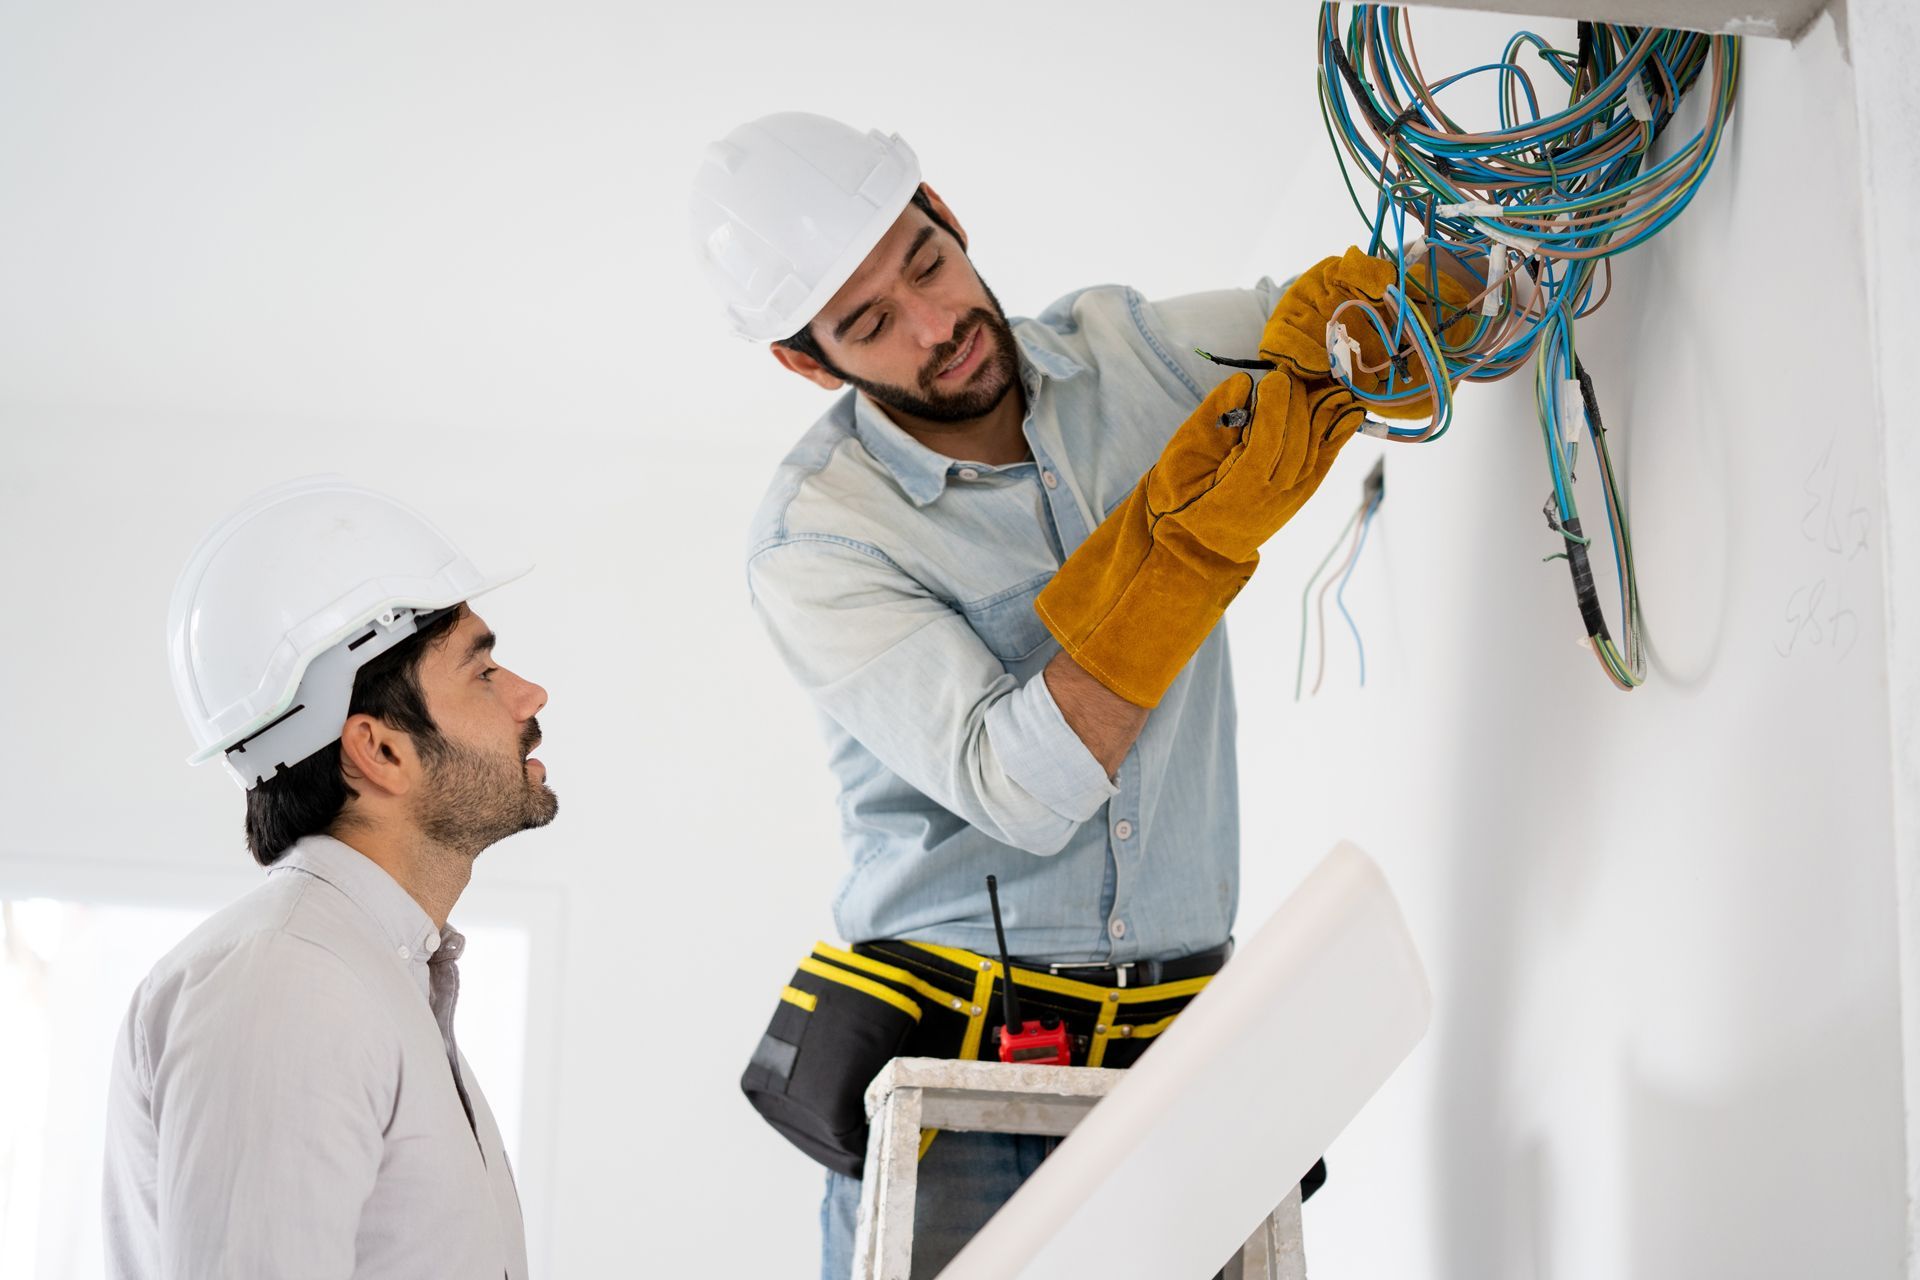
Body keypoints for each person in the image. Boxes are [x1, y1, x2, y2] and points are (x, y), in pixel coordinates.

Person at [691, 114, 1422, 1277]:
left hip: (1186, 1060)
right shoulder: (819, 538)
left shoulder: (1134, 355)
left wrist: (1435, 298)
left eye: (926, 263)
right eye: (870, 322)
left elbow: (1340, 330)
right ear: (807, 360)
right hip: (959, 1093)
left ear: (953, 219)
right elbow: (1022, 788)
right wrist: (1186, 554)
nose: (938, 326)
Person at [103, 476, 554, 1279]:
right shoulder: (286, 984)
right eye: (482, 672)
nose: (530, 694)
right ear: (379, 750)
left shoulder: (370, 973)